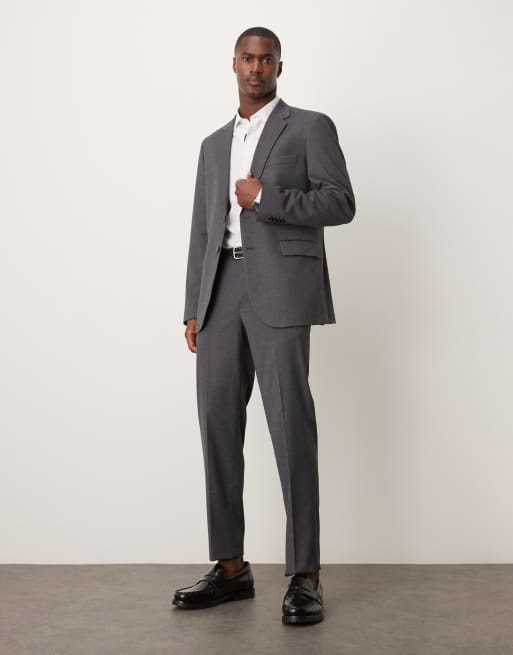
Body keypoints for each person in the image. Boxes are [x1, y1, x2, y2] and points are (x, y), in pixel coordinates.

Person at [173, 26, 355, 625]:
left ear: (279, 66)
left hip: (280, 291)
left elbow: (340, 202)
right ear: (233, 64)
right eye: (247, 58)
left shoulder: (309, 127)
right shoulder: (212, 145)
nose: (256, 68)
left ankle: (305, 575)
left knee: (290, 426)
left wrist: (264, 198)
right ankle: (230, 567)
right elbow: (203, 228)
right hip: (220, 291)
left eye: (266, 59)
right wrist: (193, 305)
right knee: (217, 426)